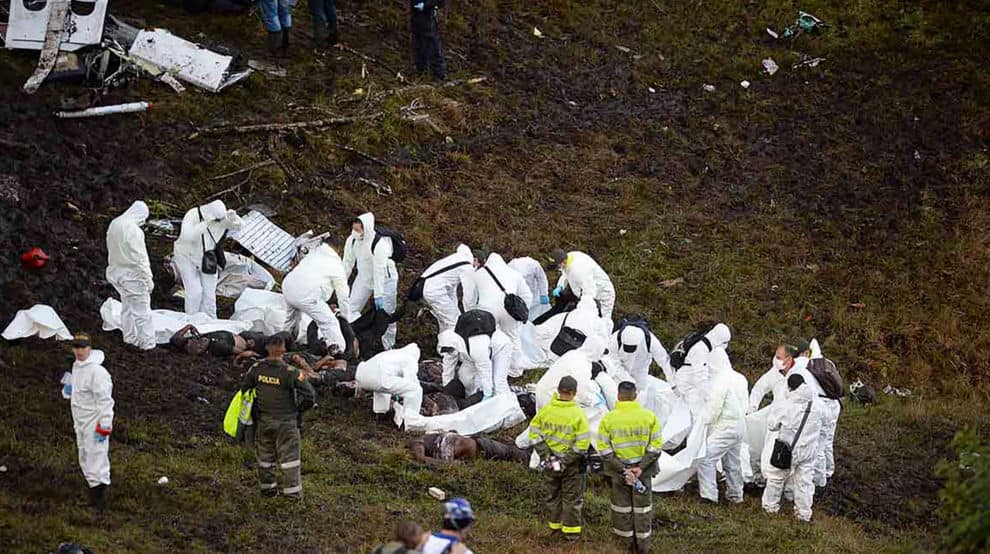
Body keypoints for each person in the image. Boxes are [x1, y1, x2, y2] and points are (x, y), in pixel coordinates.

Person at [240, 335, 316, 498]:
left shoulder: (256, 368)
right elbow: (310, 396)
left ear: (267, 348)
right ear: (284, 350)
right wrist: (298, 409)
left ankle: (267, 490)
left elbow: (245, 388)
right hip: (286, 422)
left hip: (264, 421)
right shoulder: (291, 372)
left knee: (265, 458)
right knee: (290, 460)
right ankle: (292, 496)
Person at [597, 381, 663, 554]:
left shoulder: (609, 419)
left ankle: (623, 546)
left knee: (621, 509)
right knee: (642, 509)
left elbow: (604, 450)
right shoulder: (649, 417)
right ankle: (643, 547)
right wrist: (640, 467)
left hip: (619, 474)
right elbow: (656, 446)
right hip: (643, 473)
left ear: (618, 396)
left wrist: (622, 469)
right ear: (635, 396)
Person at [528, 376, 590, 540]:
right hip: (571, 465)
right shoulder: (578, 414)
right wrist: (566, 460)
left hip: (551, 462)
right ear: (574, 393)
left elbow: (534, 434)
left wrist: (547, 456)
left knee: (553, 495)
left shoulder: (546, 410)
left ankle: (554, 528)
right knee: (571, 499)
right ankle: (570, 535)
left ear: (558, 390)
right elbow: (583, 444)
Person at [762, 374, 825, 522]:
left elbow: (772, 426)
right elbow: (825, 423)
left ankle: (770, 509)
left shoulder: (786, 405)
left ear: (790, 387)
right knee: (804, 483)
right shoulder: (818, 405)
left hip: (787, 450)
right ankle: (803, 515)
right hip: (809, 451)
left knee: (776, 478)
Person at [64, 333, 114, 509]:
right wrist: (68, 387)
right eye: (76, 347)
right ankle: (93, 492)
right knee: (84, 455)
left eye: (83, 347)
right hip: (80, 421)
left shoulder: (97, 372)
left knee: (96, 456)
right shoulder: (76, 367)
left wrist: (105, 424)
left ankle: (98, 499)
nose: (79, 351)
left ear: (89, 348)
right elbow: (71, 393)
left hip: (94, 422)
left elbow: (105, 400)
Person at [173, 200, 242, 318]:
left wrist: (234, 218)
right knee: (195, 292)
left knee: (209, 294)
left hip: (207, 257)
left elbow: (238, 226)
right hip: (186, 256)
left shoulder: (221, 217)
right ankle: (192, 321)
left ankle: (210, 321)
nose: (218, 222)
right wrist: (204, 224)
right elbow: (187, 236)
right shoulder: (193, 214)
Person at [466, 252, 532, 373]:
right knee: (513, 339)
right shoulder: (514, 273)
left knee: (487, 339)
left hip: (487, 310)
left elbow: (469, 299)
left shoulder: (478, 274)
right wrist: (521, 310)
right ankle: (515, 370)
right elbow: (527, 295)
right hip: (509, 309)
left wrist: (471, 313)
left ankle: (489, 368)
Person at [343, 213, 399, 350]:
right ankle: (350, 337)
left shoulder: (380, 244)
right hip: (365, 276)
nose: (355, 232)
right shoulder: (352, 240)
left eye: (358, 230)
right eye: (354, 229)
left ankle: (389, 345)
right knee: (350, 307)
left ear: (366, 228)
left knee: (388, 314)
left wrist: (378, 295)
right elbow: (347, 263)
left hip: (386, 279)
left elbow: (379, 270)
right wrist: (341, 283)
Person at [282, 242, 350, 353]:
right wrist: (345, 317)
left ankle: (283, 343)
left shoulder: (313, 254)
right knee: (329, 322)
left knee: (291, 319)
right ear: (339, 251)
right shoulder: (336, 265)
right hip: (307, 295)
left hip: (288, 287)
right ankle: (337, 351)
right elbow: (343, 296)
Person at [748, 344, 801, 484]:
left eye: (779, 357)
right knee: (760, 445)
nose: (775, 360)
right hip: (775, 418)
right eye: (775, 356)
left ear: (789, 359)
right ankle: (762, 478)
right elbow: (759, 388)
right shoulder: (775, 372)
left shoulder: (799, 373)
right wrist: (752, 406)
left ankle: (787, 486)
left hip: (793, 421)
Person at [105, 201, 155, 350]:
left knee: (127, 306)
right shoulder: (133, 230)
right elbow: (140, 258)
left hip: (115, 272)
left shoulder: (115, 223)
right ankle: (148, 345)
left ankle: (130, 338)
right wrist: (148, 277)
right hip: (131, 275)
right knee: (142, 312)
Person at [697, 347, 744, 504]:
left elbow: (714, 407)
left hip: (725, 426)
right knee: (732, 463)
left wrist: (703, 421)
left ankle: (709, 496)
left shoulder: (719, 380)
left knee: (706, 458)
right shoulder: (739, 377)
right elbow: (746, 403)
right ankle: (736, 496)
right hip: (739, 426)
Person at [438, 324, 512, 407]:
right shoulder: (450, 344)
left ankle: (504, 411)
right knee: (464, 376)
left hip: (500, 348)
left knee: (498, 383)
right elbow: (448, 367)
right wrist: (447, 388)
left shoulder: (475, 347)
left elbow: (485, 370)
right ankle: (471, 403)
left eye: (450, 350)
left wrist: (487, 393)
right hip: (474, 353)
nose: (449, 352)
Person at [549, 249, 616, 333]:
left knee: (604, 320)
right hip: (587, 292)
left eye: (557, 266)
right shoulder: (570, 257)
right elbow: (565, 273)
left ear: (564, 261)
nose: (557, 268)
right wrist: (560, 285)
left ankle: (605, 341)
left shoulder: (579, 270)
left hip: (603, 294)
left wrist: (583, 308)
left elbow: (589, 292)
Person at [674, 323, 732, 419]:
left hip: (690, 382)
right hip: (687, 385)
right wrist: (710, 398)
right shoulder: (700, 350)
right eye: (725, 343)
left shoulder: (705, 346)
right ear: (719, 340)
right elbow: (700, 379)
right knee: (698, 415)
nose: (726, 346)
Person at [354, 344, 424, 422]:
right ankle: (411, 420)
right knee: (415, 390)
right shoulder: (410, 358)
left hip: (361, 375)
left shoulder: (391, 353)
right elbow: (411, 380)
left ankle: (380, 413)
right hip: (378, 378)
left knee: (384, 386)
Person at [420, 244, 479, 335]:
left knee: (445, 322)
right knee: (455, 322)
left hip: (427, 287)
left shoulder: (457, 259)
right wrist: (471, 315)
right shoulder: (467, 267)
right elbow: (469, 295)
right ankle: (452, 347)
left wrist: (455, 306)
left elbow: (451, 288)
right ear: (475, 260)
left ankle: (442, 346)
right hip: (435, 292)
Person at [808, 340, 842, 488]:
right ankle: (829, 470)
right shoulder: (829, 363)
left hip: (822, 406)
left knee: (818, 445)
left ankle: (819, 480)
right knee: (828, 440)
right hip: (835, 404)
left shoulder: (810, 367)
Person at [611, 319, 673, 389]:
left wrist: (673, 383)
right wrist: (627, 379)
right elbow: (613, 363)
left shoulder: (651, 341)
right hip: (620, 370)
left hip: (640, 371)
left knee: (640, 393)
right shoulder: (615, 339)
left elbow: (664, 361)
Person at [407, 432, 530, 465]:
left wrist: (447, 463)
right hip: (476, 451)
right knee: (508, 453)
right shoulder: (427, 446)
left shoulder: (421, 441)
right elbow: (421, 458)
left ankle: (534, 460)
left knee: (510, 452)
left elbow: (421, 458)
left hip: (480, 444)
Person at [169, 324, 266, 358]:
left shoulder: (186, 341)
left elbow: (177, 336)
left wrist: (190, 327)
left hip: (240, 338)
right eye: (199, 346)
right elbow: (242, 352)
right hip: (244, 343)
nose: (200, 344)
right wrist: (251, 351)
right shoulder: (219, 346)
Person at [410, 0, 446, 82]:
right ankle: (421, 72)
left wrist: (425, 5)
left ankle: (438, 75)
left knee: (432, 46)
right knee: (419, 47)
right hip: (416, 19)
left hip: (428, 18)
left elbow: (439, 2)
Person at [508, 256, 551, 321]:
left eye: (526, 277)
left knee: (545, 317)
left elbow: (542, 279)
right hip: (522, 299)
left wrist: (544, 294)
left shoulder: (533, 265)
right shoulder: (510, 267)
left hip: (536, 297)